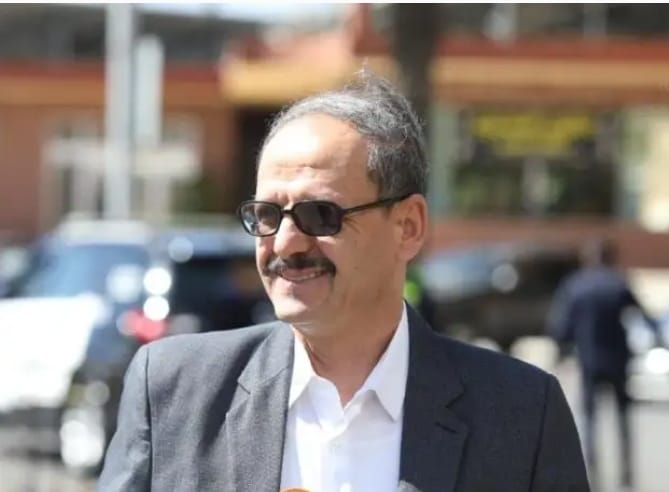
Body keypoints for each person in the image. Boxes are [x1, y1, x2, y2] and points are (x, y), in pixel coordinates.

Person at [98, 70, 589, 491]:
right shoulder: (173, 391)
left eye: (320, 214)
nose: (286, 243)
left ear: (408, 227)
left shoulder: (521, 414)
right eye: (267, 215)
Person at [548, 237, 658, 489]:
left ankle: (592, 474)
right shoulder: (618, 283)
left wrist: (562, 350)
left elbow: (560, 327)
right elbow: (644, 316)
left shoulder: (575, 285)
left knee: (589, 419)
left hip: (589, 360)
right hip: (618, 361)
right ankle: (626, 474)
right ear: (610, 257)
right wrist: (658, 339)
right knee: (622, 418)